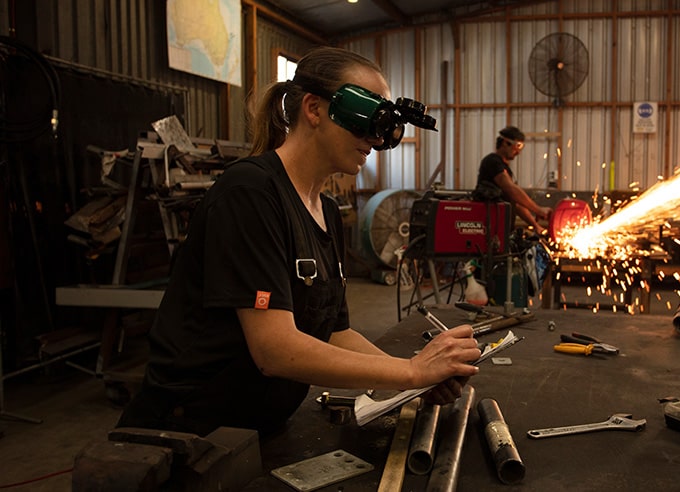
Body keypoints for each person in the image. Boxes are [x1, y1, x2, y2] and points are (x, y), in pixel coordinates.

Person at [116, 46, 480, 437]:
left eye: (381, 130)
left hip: (257, 430)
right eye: (365, 122)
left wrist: (414, 381)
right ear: (314, 109)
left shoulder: (325, 211)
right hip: (189, 434)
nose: (373, 141)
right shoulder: (250, 193)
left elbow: (333, 333)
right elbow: (276, 350)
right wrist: (410, 371)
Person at [475, 126, 552, 236]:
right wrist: (538, 210)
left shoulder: (506, 169)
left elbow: (516, 204)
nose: (518, 152)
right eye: (517, 146)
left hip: (503, 231)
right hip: (491, 231)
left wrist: (536, 226)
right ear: (506, 143)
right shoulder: (492, 162)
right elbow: (511, 189)